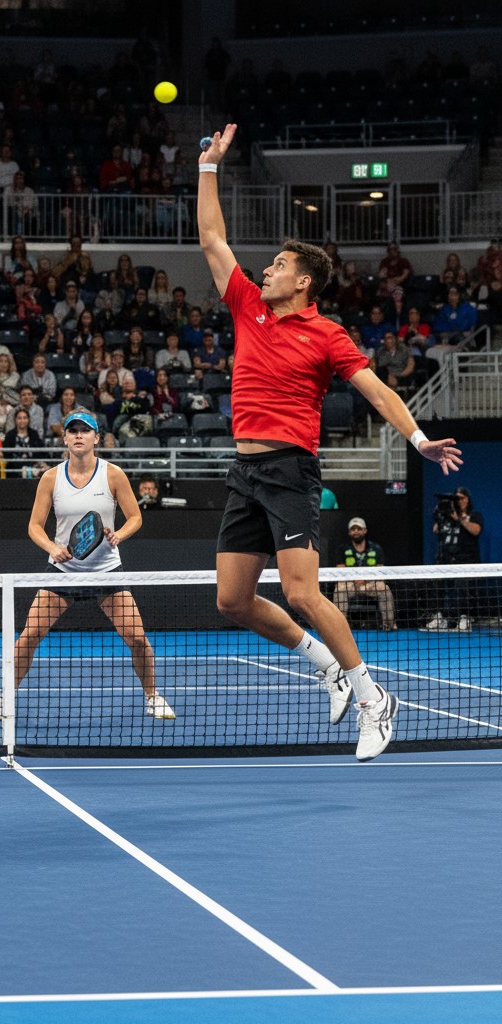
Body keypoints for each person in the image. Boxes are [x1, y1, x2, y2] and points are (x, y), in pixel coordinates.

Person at [197, 123, 462, 761]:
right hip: (245, 471)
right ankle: (325, 664)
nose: (267, 269)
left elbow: (376, 390)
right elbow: (211, 238)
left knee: (301, 593)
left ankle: (374, 698)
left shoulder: (328, 336)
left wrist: (418, 438)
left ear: (304, 283)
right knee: (232, 600)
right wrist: (208, 167)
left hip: (291, 470)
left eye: (280, 265)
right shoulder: (248, 305)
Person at [0, 410, 174, 721]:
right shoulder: (51, 478)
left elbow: (136, 517)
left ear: (96, 438)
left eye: (85, 431)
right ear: (65, 439)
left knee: (138, 638)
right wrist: (52, 548)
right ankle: (6, 697)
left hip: (106, 570)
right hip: (64, 571)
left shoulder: (113, 474)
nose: (78, 435)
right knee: (29, 636)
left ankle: (153, 697)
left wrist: (118, 535)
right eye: (72, 431)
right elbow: (34, 526)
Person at [425, 487, 484, 632]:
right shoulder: (447, 517)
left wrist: (460, 519)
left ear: (467, 499)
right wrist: (440, 513)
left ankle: (465, 617)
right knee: (438, 586)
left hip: (466, 562)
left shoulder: (474, 515)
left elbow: (476, 530)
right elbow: (435, 530)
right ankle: (441, 617)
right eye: (456, 498)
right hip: (445, 560)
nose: (459, 501)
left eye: (461, 498)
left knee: (462, 588)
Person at [333, 517, 396, 631]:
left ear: (365, 531)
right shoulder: (343, 549)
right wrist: (354, 579)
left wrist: (365, 580)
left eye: (359, 529)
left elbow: (380, 571)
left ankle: (388, 624)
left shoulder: (376, 548)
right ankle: (340, 627)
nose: (356, 531)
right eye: (353, 529)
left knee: (384, 588)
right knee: (340, 588)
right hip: (350, 584)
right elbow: (340, 570)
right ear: (349, 532)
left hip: (370, 583)